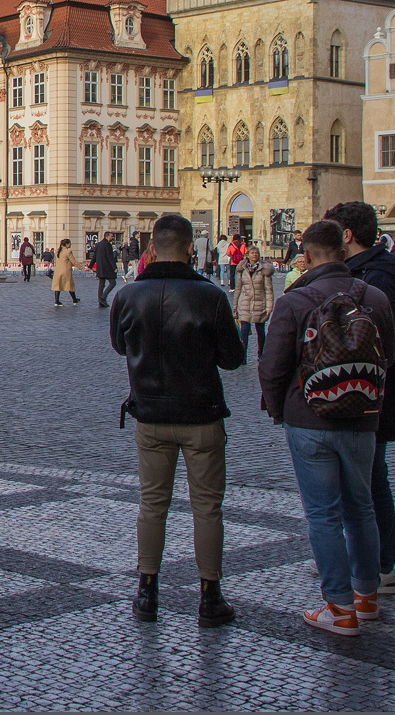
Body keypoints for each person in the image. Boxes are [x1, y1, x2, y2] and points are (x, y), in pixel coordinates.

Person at [260, 219, 395, 637]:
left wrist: (278, 407)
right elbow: (387, 354)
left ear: (306, 256)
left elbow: (272, 366)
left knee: (323, 513)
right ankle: (367, 598)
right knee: (362, 507)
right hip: (363, 418)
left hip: (309, 418)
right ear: (343, 249)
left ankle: (338, 607)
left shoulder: (294, 301)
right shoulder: (374, 296)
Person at [110, 213, 246, 628]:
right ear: (191, 248)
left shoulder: (128, 295)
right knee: (207, 508)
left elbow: (120, 346)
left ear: (152, 248)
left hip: (150, 414)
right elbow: (234, 359)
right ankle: (210, 596)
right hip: (201, 415)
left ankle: (147, 592)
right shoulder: (211, 295)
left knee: (152, 504)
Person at [324, 201, 395, 605]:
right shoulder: (379, 269)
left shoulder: (377, 276)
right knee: (363, 476)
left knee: (371, 480)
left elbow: (373, 336)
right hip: (369, 388)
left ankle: (382, 566)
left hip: (373, 389)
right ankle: (364, 559)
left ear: (346, 235)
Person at [233, 246, 275, 361]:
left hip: (259, 303)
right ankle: (243, 356)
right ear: (248, 255)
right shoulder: (242, 269)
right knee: (244, 330)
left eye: (256, 253)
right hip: (245, 303)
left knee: (260, 331)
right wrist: (235, 305)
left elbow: (268, 290)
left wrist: (269, 306)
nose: (254, 255)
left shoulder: (264, 269)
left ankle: (261, 354)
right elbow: (238, 288)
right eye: (252, 253)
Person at [93, 232, 120, 308]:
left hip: (100, 267)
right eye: (112, 236)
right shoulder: (108, 245)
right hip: (107, 267)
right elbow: (110, 257)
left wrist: (90, 265)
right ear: (107, 237)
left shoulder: (98, 244)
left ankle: (101, 301)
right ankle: (103, 297)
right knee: (113, 282)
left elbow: (94, 256)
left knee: (101, 284)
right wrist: (114, 267)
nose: (113, 237)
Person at [50, 238, 80, 306]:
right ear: (67, 244)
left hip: (58, 271)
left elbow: (55, 261)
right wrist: (82, 268)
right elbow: (74, 262)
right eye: (69, 243)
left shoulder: (57, 251)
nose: (70, 245)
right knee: (70, 286)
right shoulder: (68, 252)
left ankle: (56, 301)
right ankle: (74, 300)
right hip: (66, 271)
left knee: (58, 286)